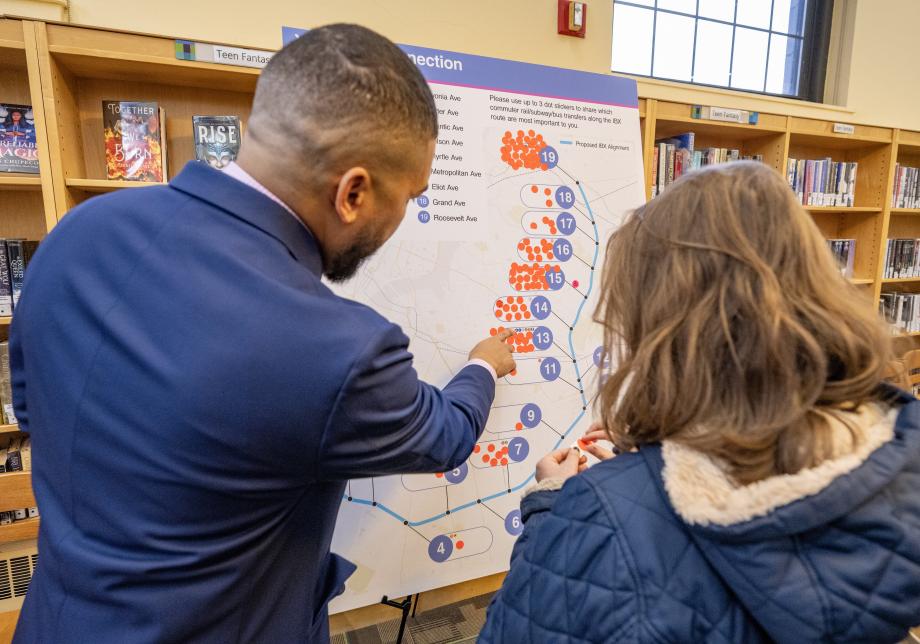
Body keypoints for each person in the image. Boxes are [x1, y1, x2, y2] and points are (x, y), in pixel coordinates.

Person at [12, 24, 515, 643]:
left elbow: (39, 411)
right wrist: (484, 365)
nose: (403, 217)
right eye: (409, 196)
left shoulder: (78, 233)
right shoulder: (338, 348)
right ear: (353, 192)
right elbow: (443, 436)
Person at [479, 161, 920, 643]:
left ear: (660, 324)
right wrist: (658, 461)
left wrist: (553, 507)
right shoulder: (899, 456)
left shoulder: (596, 515)